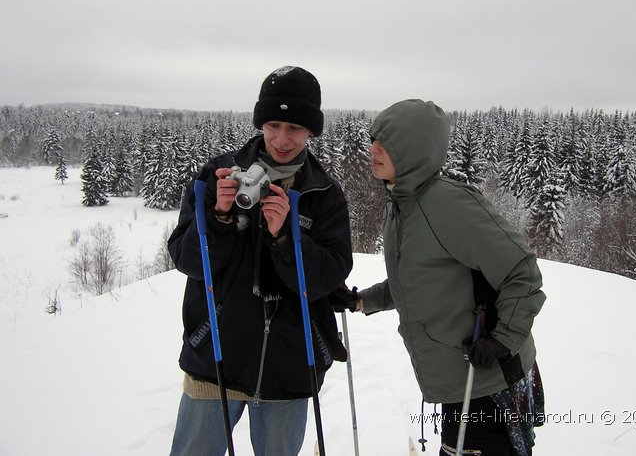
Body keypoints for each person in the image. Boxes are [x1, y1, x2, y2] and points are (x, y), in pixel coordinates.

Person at [337, 99, 545, 456]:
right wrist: (361, 300)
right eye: (373, 140)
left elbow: (521, 272)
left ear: (412, 149)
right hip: (458, 379)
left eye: (384, 144)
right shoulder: (403, 206)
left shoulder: (448, 203)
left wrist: (502, 339)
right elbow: (416, 282)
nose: (372, 150)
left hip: (487, 382)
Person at [168, 66, 353, 456]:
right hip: (216, 360)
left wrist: (286, 237)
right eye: (273, 124)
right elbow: (188, 261)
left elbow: (328, 276)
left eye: (295, 127)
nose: (282, 139)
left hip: (290, 368)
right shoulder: (216, 176)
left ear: (311, 131)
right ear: (260, 123)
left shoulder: (324, 193)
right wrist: (218, 218)